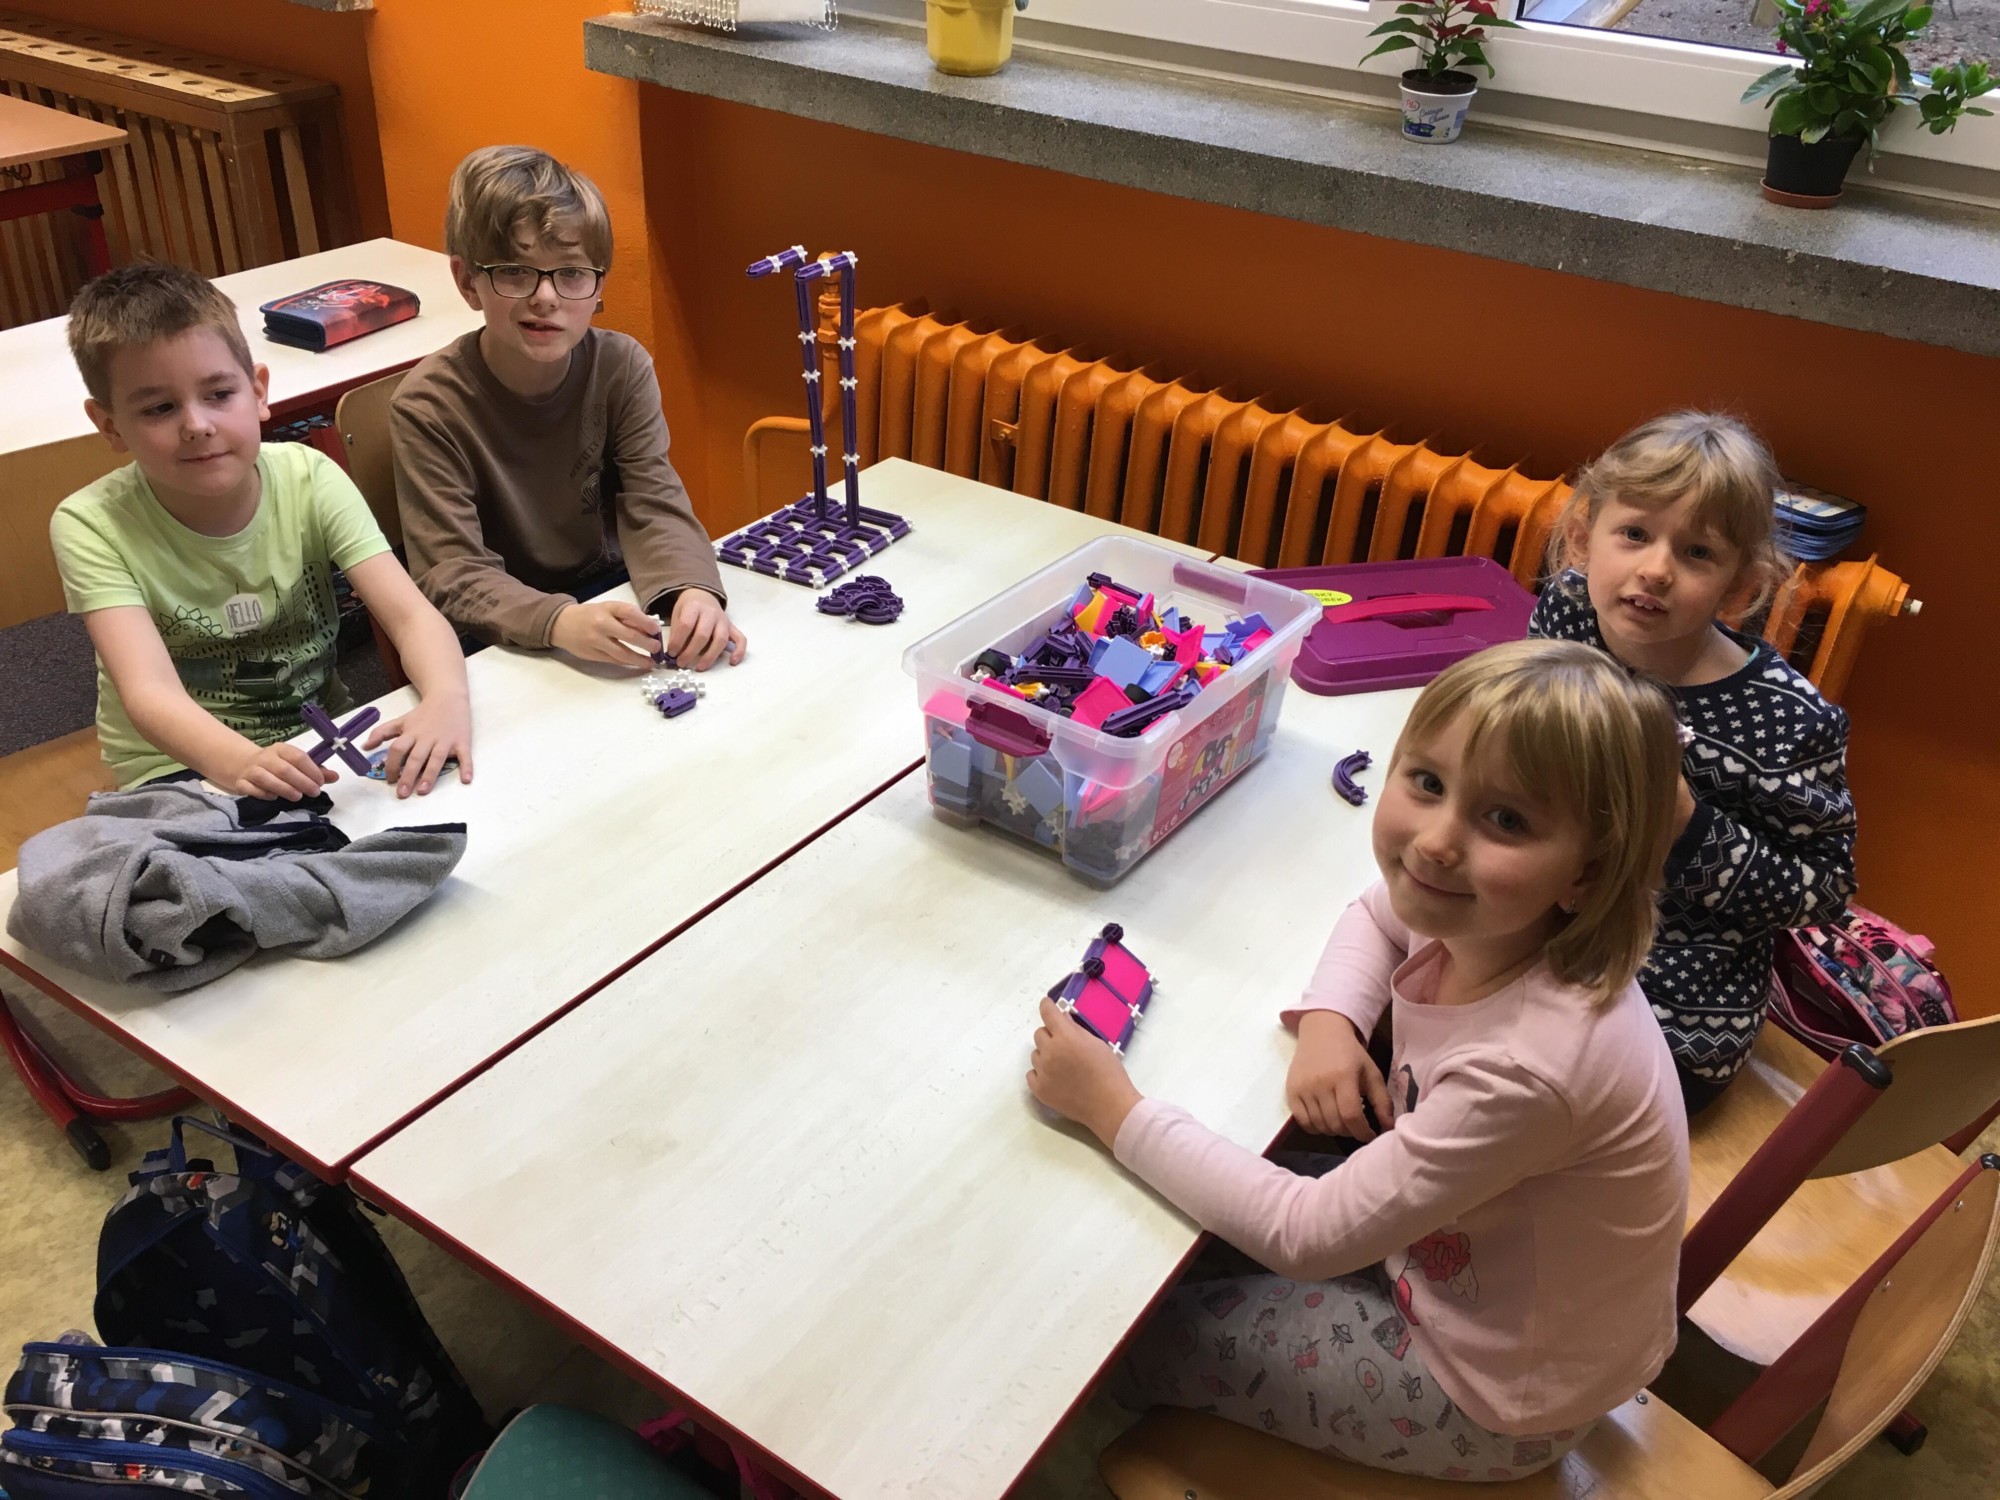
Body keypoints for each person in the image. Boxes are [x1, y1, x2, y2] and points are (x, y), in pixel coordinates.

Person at [1028, 640, 1689, 1481]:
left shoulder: (1531, 1066)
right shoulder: (1493, 917)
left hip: (1487, 1395)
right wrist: (1332, 1024)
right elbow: (1375, 915)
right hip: (1458, 1272)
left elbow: (1306, 1235)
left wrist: (1113, 1109)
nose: (1438, 842)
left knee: (1127, 1336)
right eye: (1428, 783)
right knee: (1163, 1242)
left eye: (1507, 821)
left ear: (1587, 876)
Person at [1529, 411, 1855, 1111]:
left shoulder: (1790, 723)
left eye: (1697, 552)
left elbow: (1825, 891)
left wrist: (1685, 826)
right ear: (1584, 538)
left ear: (1740, 587)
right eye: (1634, 534)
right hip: (1532, 940)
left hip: (1671, 1020)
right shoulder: (1568, 614)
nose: (1655, 569)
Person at [53, 262, 473, 800]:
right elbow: (150, 693)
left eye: (218, 394)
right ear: (110, 425)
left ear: (257, 392)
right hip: (177, 765)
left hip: (320, 739)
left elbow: (411, 615)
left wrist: (446, 698)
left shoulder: (311, 477)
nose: (197, 425)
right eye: (159, 408)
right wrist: (241, 763)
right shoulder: (90, 524)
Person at [392, 145, 745, 671]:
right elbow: (452, 571)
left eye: (572, 273)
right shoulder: (427, 407)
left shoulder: (623, 367)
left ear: (599, 285)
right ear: (468, 281)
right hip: (499, 629)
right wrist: (559, 621)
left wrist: (692, 588)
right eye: (515, 271)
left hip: (612, 593)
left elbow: (654, 500)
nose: (546, 297)